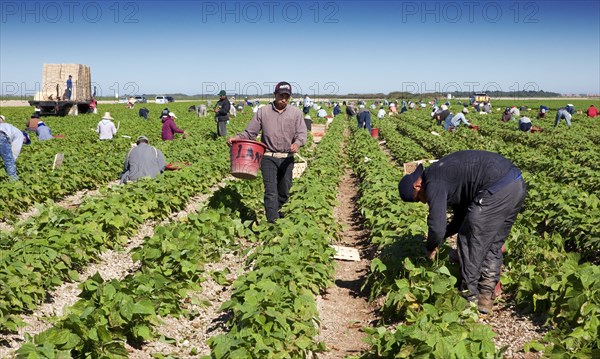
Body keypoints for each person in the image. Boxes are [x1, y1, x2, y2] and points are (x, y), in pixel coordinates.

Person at [397, 150, 526, 313]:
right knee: (493, 243)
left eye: (418, 198)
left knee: (469, 239)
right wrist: (441, 237)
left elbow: (437, 225)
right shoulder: (446, 175)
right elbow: (458, 219)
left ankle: (468, 297)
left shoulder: (433, 180)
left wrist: (431, 246)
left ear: (417, 185)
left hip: (496, 188)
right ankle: (485, 297)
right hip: (515, 184)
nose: (423, 202)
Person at [227, 81, 307, 223]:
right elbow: (250, 133)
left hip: (287, 158)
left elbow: (302, 133)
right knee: (271, 192)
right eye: (281, 95)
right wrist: (237, 138)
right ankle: (272, 224)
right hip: (268, 156)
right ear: (274, 95)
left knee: (284, 191)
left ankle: (282, 220)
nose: (284, 99)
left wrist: (297, 143)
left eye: (287, 96)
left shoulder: (296, 113)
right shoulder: (263, 112)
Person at [0, 115, 26, 181]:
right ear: (25, 137)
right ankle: (13, 180)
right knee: (9, 160)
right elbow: (15, 150)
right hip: (1, 135)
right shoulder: (20, 135)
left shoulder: (12, 128)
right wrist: (12, 159)